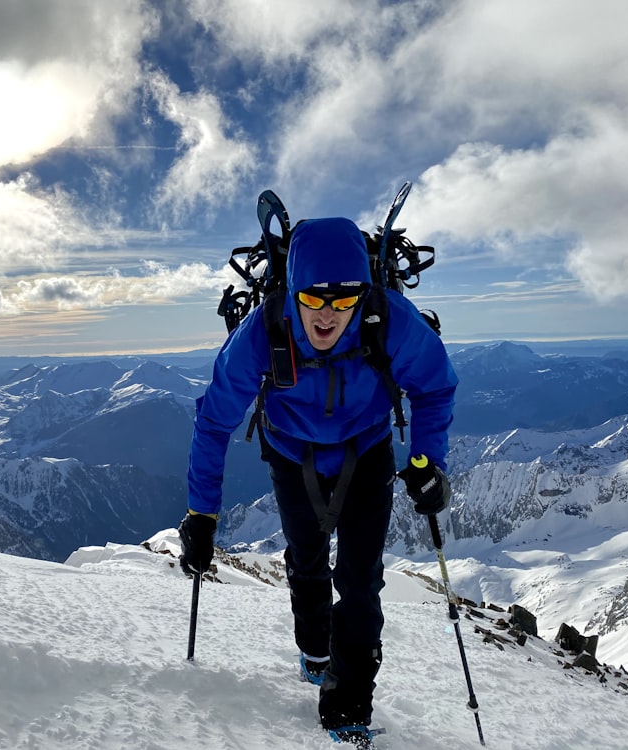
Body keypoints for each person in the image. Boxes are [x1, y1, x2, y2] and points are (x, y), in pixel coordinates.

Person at [179, 216, 457, 746]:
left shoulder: (387, 317)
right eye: (313, 299)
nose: (328, 315)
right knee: (306, 558)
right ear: (294, 291)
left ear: (363, 294)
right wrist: (202, 512)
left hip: (367, 451)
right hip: (291, 452)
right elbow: (214, 419)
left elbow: (434, 386)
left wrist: (427, 462)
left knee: (360, 581)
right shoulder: (263, 329)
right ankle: (314, 649)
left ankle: (347, 707)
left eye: (344, 300)